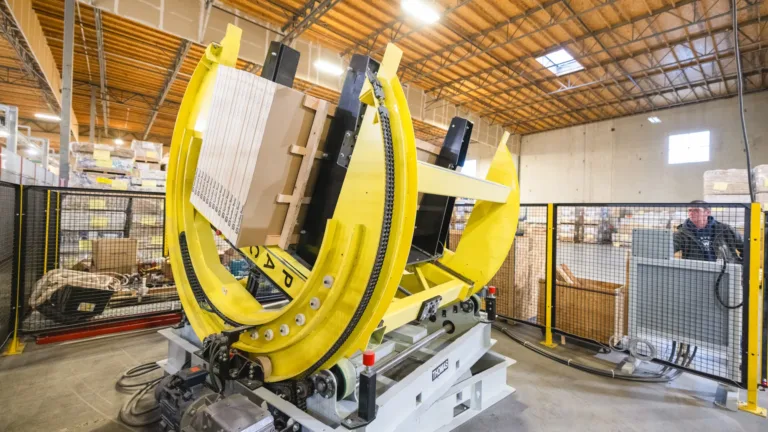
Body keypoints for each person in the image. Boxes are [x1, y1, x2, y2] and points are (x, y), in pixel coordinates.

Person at [674, 200, 743, 262]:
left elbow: (748, 249)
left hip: (726, 272)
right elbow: (668, 249)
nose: (691, 213)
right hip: (697, 272)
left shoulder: (726, 229)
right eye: (689, 210)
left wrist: (742, 266)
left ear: (708, 212)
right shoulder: (682, 233)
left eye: (696, 210)